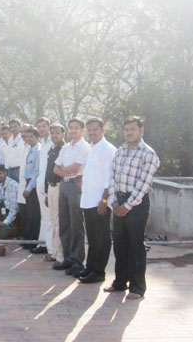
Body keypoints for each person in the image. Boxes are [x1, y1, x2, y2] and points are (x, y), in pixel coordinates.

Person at [104, 116, 160, 299]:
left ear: (141, 131)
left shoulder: (148, 154)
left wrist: (127, 205)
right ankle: (120, 282)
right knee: (120, 244)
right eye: (127, 130)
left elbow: (144, 184)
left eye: (133, 129)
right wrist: (113, 201)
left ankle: (137, 288)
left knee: (136, 245)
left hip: (136, 204)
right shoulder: (120, 152)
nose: (129, 133)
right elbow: (112, 178)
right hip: (118, 201)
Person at [77, 118, 116, 283]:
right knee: (92, 238)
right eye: (89, 130)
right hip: (88, 200)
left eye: (95, 129)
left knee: (102, 238)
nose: (92, 133)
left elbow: (110, 178)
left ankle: (99, 272)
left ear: (102, 130)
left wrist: (104, 200)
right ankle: (90, 267)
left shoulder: (109, 150)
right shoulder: (91, 148)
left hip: (100, 202)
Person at [52, 118, 91, 277]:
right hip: (64, 184)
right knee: (64, 223)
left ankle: (77, 261)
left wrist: (65, 170)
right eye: (71, 128)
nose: (73, 130)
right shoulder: (66, 147)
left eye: (76, 128)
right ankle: (67, 257)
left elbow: (75, 168)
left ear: (82, 130)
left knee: (76, 224)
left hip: (76, 185)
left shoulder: (84, 147)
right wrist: (65, 171)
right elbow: (55, 169)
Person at [43, 123, 66, 262]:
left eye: (57, 133)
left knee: (58, 222)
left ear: (63, 134)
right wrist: (46, 192)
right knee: (52, 221)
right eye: (52, 133)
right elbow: (48, 172)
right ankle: (53, 251)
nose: (54, 135)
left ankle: (60, 256)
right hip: (50, 187)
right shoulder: (52, 149)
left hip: (60, 186)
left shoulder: (65, 149)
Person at [30, 117, 53, 255]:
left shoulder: (53, 142)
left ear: (49, 127)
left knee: (50, 216)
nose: (41, 129)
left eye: (44, 126)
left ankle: (50, 248)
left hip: (49, 183)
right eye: (39, 127)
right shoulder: (42, 143)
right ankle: (42, 243)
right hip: (40, 181)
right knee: (44, 215)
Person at [22, 128, 41, 249]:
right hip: (28, 182)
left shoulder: (38, 151)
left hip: (33, 185)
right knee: (29, 213)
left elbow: (37, 172)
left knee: (34, 215)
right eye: (27, 136)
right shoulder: (31, 149)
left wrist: (29, 188)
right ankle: (28, 239)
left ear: (37, 138)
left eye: (31, 137)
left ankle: (33, 241)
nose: (29, 139)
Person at [0, 165, 20, 239]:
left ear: (5, 173)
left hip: (16, 216)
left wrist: (5, 222)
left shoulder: (12, 185)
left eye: (0, 174)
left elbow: (14, 209)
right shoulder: (1, 184)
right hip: (7, 212)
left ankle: (16, 230)